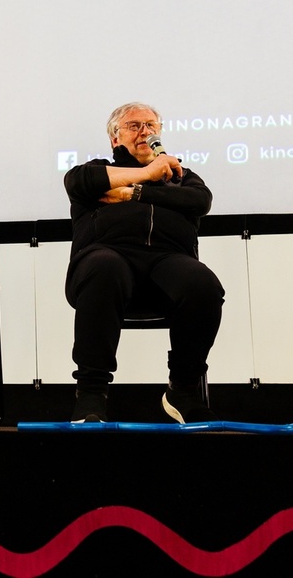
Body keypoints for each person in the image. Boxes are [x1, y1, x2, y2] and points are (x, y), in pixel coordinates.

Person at [63, 102, 224, 424]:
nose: (145, 132)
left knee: (203, 284)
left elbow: (199, 201)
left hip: (168, 263)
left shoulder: (181, 177)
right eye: (134, 126)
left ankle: (183, 390)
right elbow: (77, 181)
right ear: (115, 138)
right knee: (104, 267)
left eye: (151, 126)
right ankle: (91, 394)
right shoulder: (96, 172)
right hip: (108, 260)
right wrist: (147, 174)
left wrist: (134, 193)